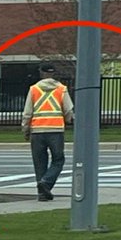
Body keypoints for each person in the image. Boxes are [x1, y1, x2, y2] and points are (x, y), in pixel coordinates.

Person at [21, 63, 74, 201]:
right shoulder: (61, 89)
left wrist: (26, 130)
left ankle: (42, 192)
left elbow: (27, 113)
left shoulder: (34, 89)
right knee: (58, 160)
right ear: (53, 74)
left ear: (41, 73)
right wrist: (67, 120)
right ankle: (46, 183)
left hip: (37, 130)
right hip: (56, 130)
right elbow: (68, 110)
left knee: (39, 162)